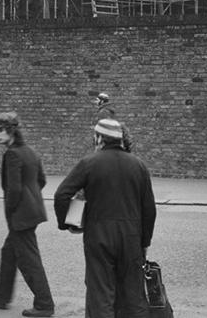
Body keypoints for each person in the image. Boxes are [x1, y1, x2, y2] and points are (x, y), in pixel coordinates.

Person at [54, 118, 156, 318]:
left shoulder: (89, 163)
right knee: (132, 295)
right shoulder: (138, 165)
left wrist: (67, 223)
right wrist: (144, 242)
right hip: (131, 237)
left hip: (98, 236)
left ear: (100, 138)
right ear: (119, 139)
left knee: (100, 293)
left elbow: (62, 195)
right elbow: (149, 210)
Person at [0, 112, 55, 317]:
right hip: (32, 212)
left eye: (0, 130)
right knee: (9, 252)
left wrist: (12, 210)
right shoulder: (30, 151)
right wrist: (30, 199)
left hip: (21, 217)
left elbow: (13, 190)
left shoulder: (12, 154)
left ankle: (44, 304)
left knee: (29, 260)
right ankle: (2, 296)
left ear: (11, 131)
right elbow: (41, 180)